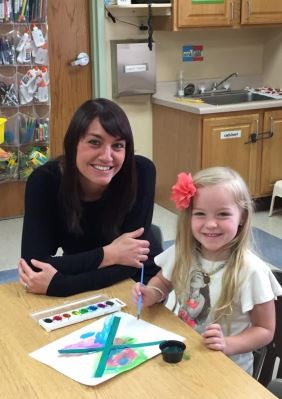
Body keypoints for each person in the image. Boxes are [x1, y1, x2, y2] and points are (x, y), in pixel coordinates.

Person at [133, 167, 282, 374]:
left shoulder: (252, 271)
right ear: (189, 217)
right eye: (200, 214)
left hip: (228, 371)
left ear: (242, 217)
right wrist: (153, 293)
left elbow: (265, 330)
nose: (211, 224)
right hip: (186, 354)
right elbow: (164, 281)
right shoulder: (182, 252)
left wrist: (228, 344)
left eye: (223, 214)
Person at [18, 98, 161, 297]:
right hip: (86, 277)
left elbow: (133, 264)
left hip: (139, 285)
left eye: (118, 145)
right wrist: (109, 254)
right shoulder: (45, 181)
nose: (107, 156)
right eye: (95, 142)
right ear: (73, 144)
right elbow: (33, 267)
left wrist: (62, 285)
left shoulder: (141, 172)